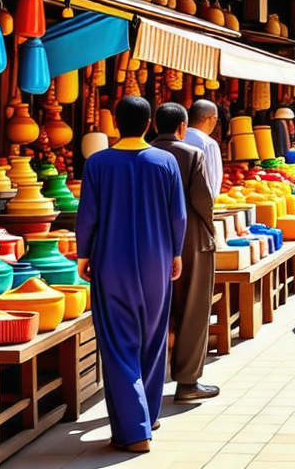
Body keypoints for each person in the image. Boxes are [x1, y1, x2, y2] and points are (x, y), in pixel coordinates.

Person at [76, 96, 186, 452]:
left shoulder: (98, 163)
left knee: (119, 342)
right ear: (150, 122)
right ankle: (148, 414)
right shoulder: (165, 160)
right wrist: (177, 252)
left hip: (112, 260)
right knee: (153, 338)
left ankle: (135, 430)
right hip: (157, 259)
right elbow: (178, 216)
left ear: (116, 125)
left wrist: (83, 254)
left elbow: (88, 214)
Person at [149, 103, 220, 404]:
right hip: (190, 238)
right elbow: (204, 200)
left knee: (152, 310)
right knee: (193, 308)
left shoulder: (143, 153)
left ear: (154, 126)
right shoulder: (193, 154)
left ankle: (149, 381)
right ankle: (187, 382)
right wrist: (211, 231)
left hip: (150, 238)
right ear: (182, 127)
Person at [183, 99, 223, 197]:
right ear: (211, 119)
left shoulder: (178, 138)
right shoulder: (209, 144)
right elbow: (213, 183)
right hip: (199, 205)